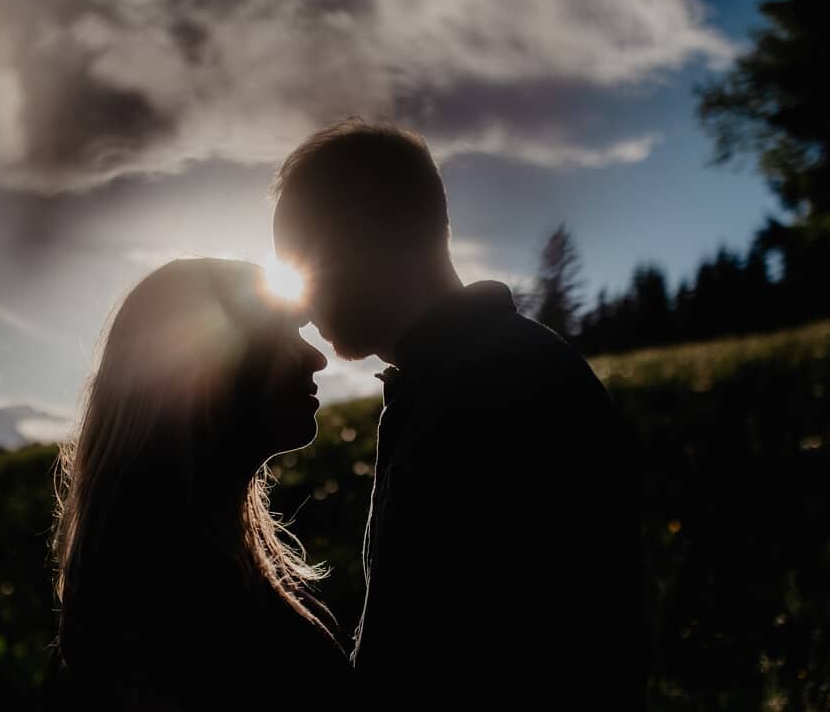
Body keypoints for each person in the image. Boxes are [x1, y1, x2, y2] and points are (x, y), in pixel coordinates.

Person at [272, 118, 636, 708]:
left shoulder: (505, 387)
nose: (302, 300)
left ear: (368, 236)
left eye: (303, 259)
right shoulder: (457, 378)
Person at [44, 259, 352, 710]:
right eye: (282, 335)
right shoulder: (171, 595)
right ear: (209, 371)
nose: (315, 357)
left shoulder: (194, 554)